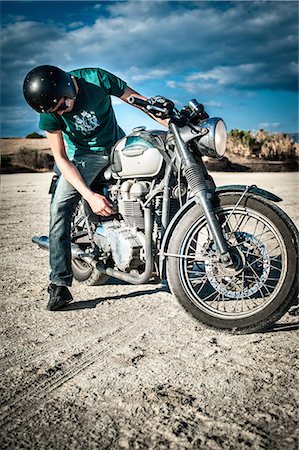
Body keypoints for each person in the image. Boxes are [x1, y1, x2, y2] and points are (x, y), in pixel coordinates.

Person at [23, 65, 172, 311]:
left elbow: (139, 102)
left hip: (116, 144)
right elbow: (61, 158)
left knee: (162, 176)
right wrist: (90, 196)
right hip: (84, 157)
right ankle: (58, 283)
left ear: (67, 87)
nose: (60, 112)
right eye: (54, 111)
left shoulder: (96, 79)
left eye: (61, 106)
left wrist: (170, 123)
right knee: (60, 207)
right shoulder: (48, 112)